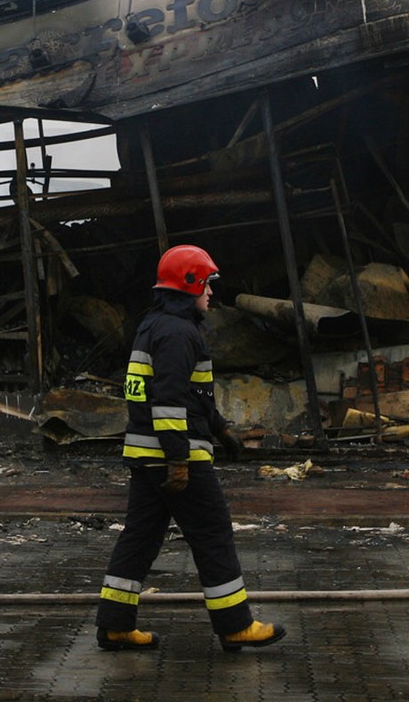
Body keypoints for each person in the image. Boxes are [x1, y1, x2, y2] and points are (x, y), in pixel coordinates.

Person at [95, 244, 286, 653]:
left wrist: (221, 430)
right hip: (174, 457)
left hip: (146, 455)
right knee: (213, 533)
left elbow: (192, 394)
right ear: (190, 284)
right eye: (207, 285)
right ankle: (236, 625)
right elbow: (167, 400)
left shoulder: (153, 325)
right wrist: (179, 460)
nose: (212, 294)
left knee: (140, 538)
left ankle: (114, 625)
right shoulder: (180, 333)